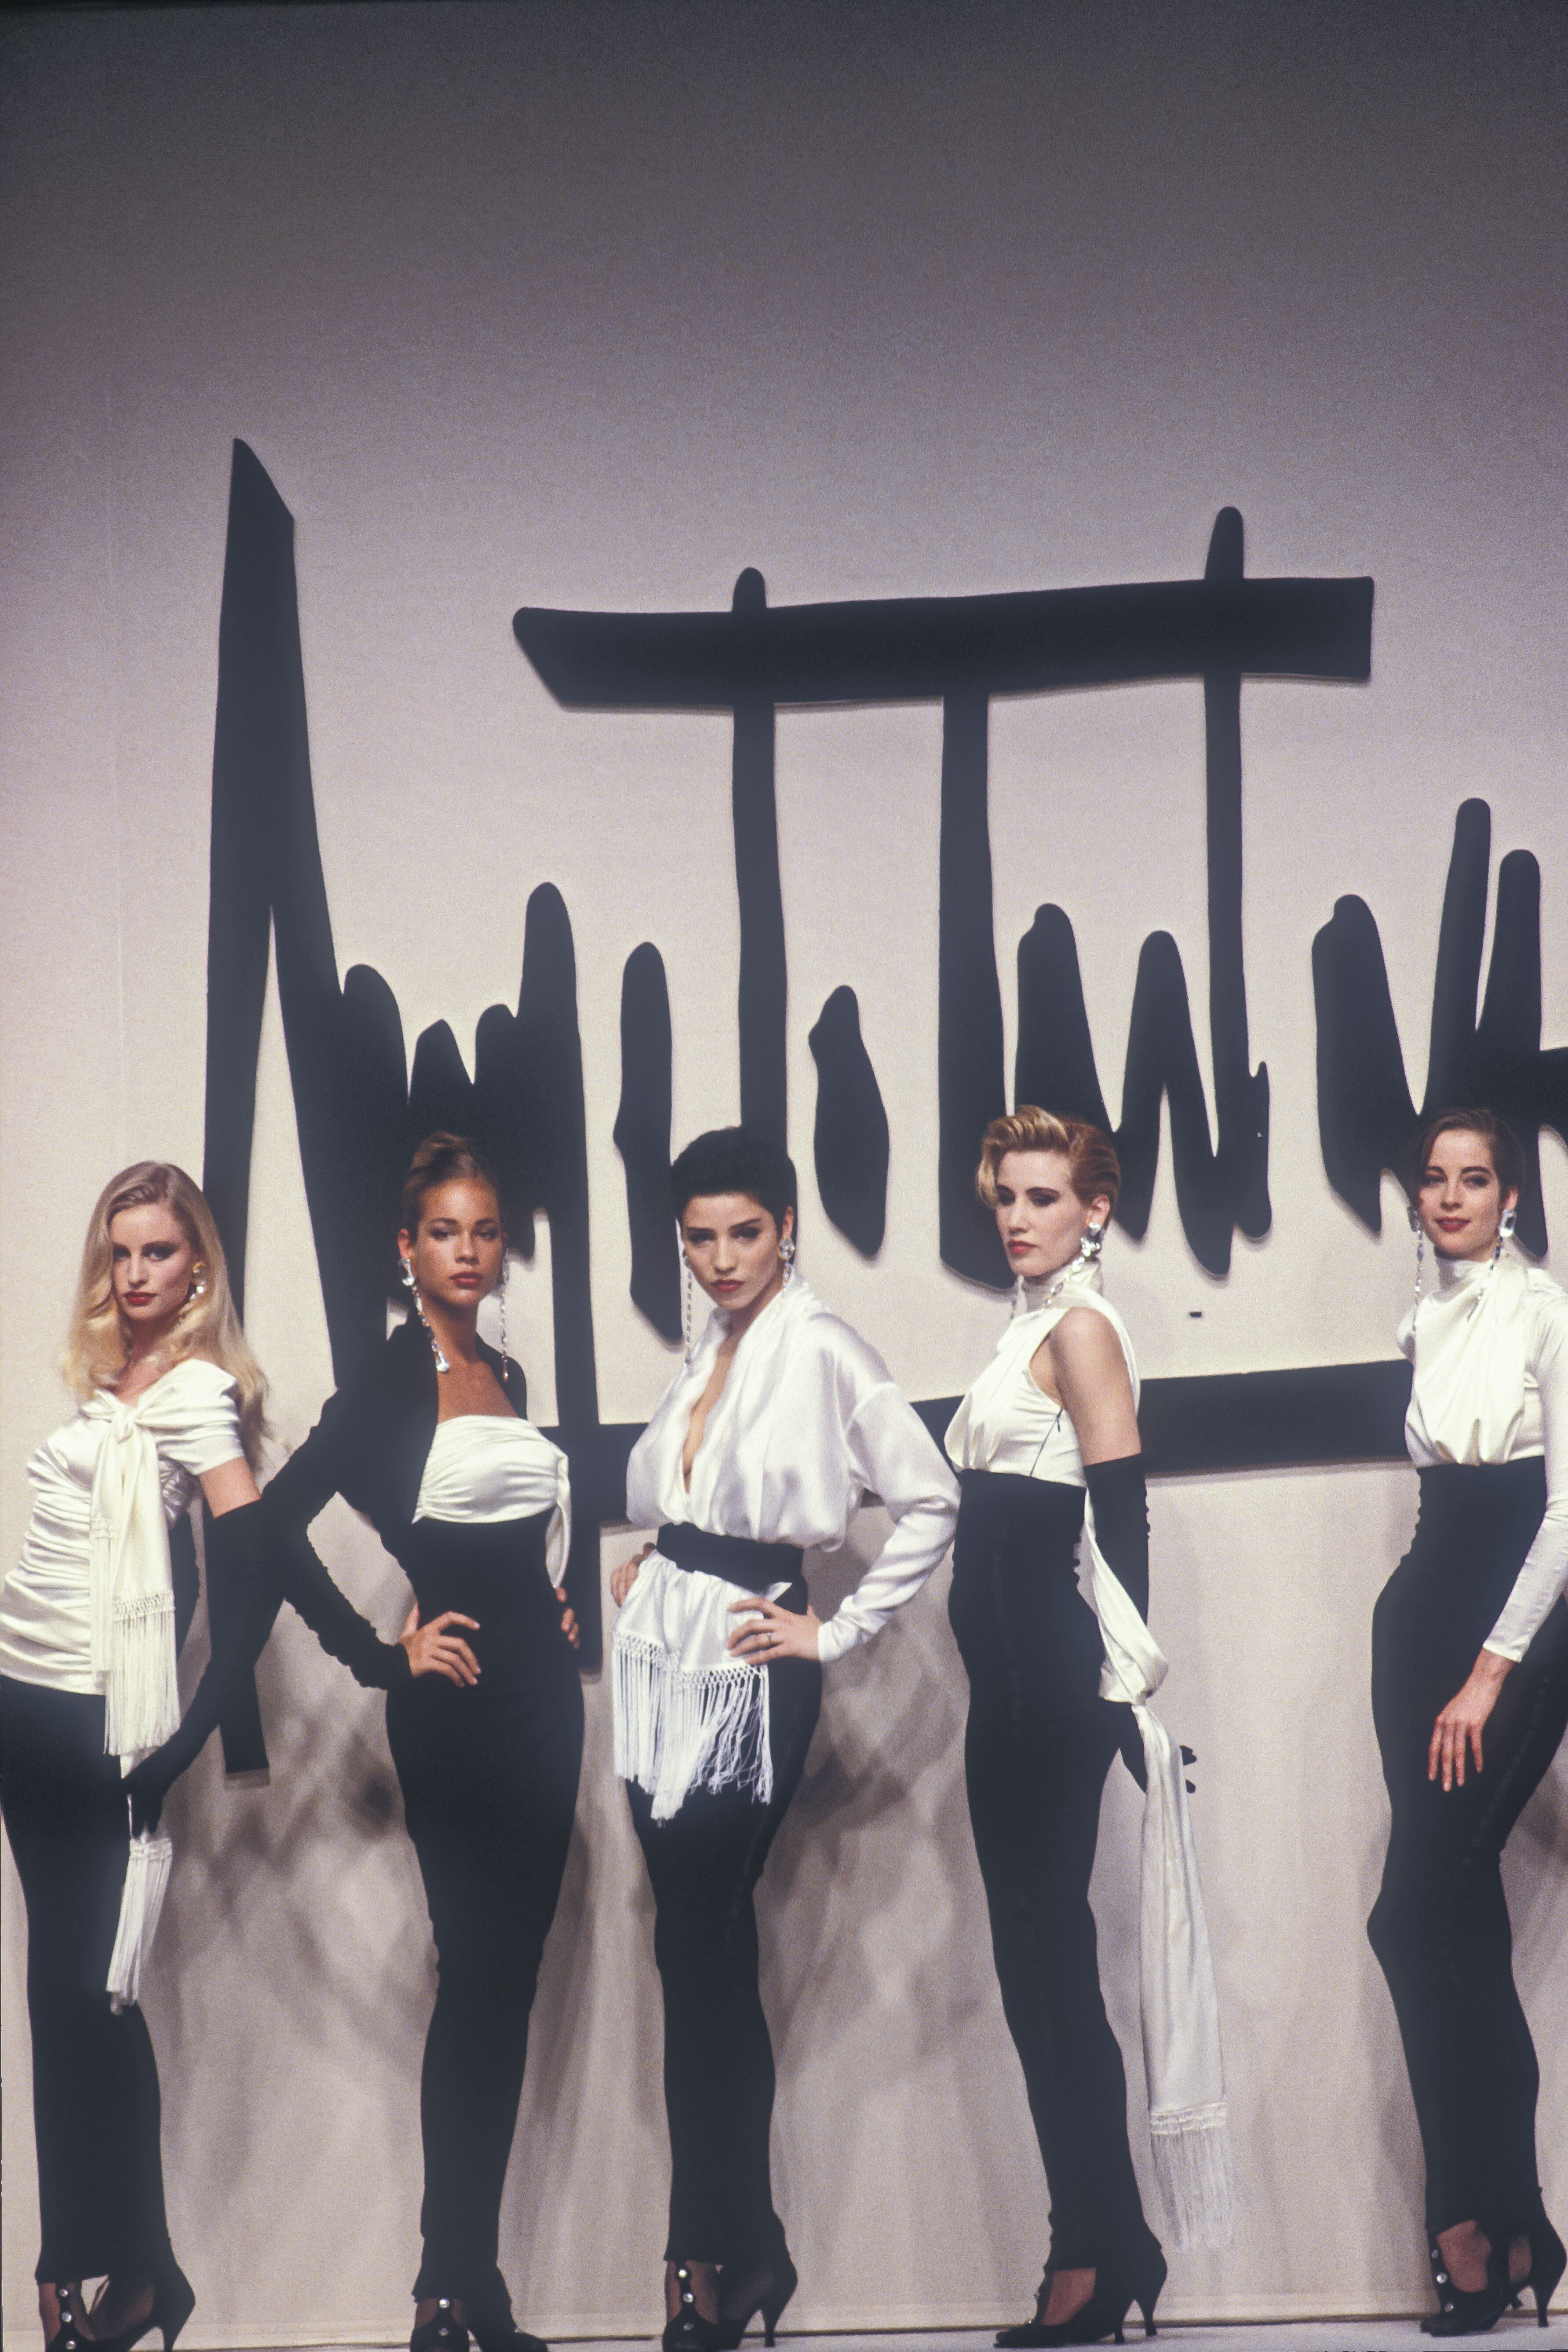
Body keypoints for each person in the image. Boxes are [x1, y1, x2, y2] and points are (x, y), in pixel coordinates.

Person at [609, 1125, 959, 2352]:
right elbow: (689, 1499)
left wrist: (838, 1631)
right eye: (699, 1237)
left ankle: (707, 2255)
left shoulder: (823, 1346)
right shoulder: (708, 1346)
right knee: (694, 1956)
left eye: (745, 1232)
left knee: (701, 1945)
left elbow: (932, 1495)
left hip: (752, 1672)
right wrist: (658, 1561)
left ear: (788, 1228)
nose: (721, 1258)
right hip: (664, 1665)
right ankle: (741, 2247)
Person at [252, 1133, 583, 2352]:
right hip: (453, 1711)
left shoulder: (508, 1370)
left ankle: (474, 2288)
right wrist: (379, 1654)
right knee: (473, 1976)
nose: (469, 1251)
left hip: (545, 1703)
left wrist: (554, 1603)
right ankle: (444, 2289)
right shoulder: (389, 1385)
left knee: (510, 1983)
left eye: (486, 1231)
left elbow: (517, 1536)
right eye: (446, 1231)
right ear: (407, 1248)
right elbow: (270, 1527)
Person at [944, 1109, 1233, 2349]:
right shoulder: (1030, 1327)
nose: (1018, 1218)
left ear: (1094, 1210)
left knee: (1048, 1976)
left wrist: (1125, 1690)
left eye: (1045, 1197)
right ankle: (1113, 2242)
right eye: (1007, 1196)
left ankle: (1094, 2252)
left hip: (1044, 1691)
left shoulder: (1080, 1329)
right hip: (1008, 1690)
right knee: (1040, 1973)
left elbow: (1123, 1518)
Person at [0, 1162, 270, 2352]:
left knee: (98, 1996)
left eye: (158, 1250)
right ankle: (114, 2266)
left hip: (105, 1724)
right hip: (23, 1705)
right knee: (56, 1997)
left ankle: (115, 2267)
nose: (136, 1273)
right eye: (120, 1253)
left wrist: (184, 1739)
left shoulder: (201, 1394)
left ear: (197, 1262)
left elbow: (250, 1579)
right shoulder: (107, 1382)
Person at [1367, 1107, 1568, 2336]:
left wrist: (1492, 1670)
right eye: (1435, 1179)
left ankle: (1482, 2218)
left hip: (1517, 1624)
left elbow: (1567, 1515)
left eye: (1475, 1178)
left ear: (1511, 1196)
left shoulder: (1548, 1309)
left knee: (1409, 1914)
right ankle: (1508, 2222)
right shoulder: (1423, 1314)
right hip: (1421, 1610)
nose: (1451, 1197)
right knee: (1453, 1922)